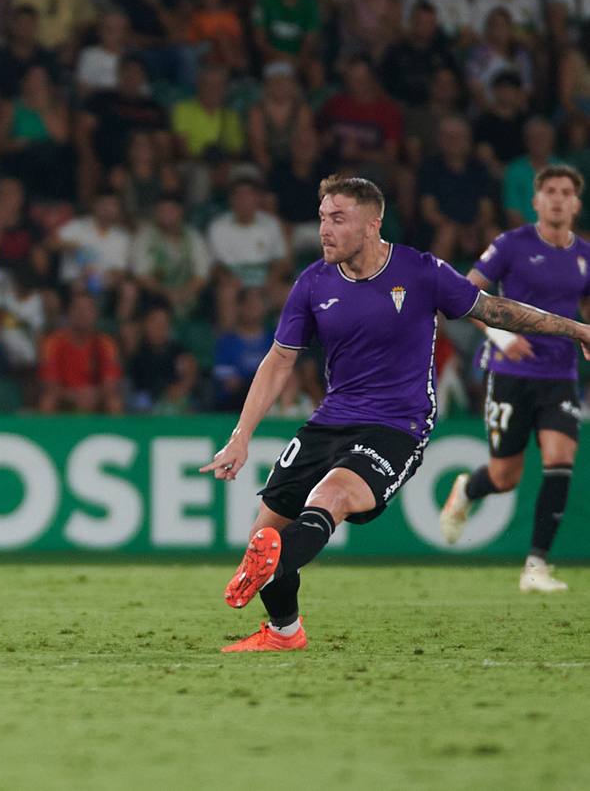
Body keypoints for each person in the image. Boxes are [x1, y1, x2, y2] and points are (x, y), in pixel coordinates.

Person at [201, 175, 590, 653]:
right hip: (330, 420)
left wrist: (578, 330)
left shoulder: (422, 271)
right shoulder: (313, 282)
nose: (325, 229)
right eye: (323, 218)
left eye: (338, 219)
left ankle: (276, 570)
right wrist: (241, 436)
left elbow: (496, 311)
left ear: (371, 225)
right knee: (263, 536)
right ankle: (284, 631)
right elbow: (280, 358)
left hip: (398, 424)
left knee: (331, 496)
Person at [439, 166, 590, 592]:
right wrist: (502, 336)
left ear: (576, 203)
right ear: (536, 201)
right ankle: (468, 488)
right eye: (550, 191)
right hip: (509, 372)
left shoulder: (585, 256)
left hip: (559, 375)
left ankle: (536, 566)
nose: (558, 199)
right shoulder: (511, 245)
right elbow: (465, 295)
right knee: (505, 478)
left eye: (566, 192)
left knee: (560, 460)